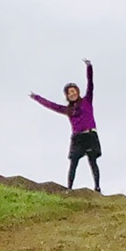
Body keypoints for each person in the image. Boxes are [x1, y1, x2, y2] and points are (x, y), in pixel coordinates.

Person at [31, 60, 101, 190]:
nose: (72, 93)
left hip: (90, 134)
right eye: (69, 93)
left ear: (77, 92)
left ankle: (97, 187)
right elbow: (51, 105)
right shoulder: (67, 110)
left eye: (74, 91)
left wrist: (89, 67)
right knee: (73, 162)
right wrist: (37, 98)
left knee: (92, 161)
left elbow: (90, 83)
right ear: (67, 96)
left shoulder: (87, 101)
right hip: (77, 137)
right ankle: (69, 188)